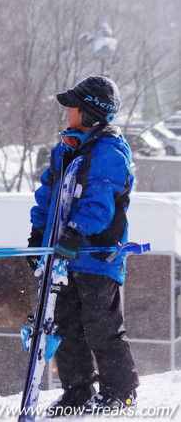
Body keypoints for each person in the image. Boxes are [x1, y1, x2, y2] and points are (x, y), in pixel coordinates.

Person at [28, 76, 138, 414]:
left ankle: (121, 391)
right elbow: (47, 196)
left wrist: (75, 233)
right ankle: (77, 392)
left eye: (72, 108)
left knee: (100, 325)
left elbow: (100, 203)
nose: (67, 113)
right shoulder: (65, 148)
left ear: (89, 113)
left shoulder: (109, 151)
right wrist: (38, 235)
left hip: (96, 255)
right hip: (62, 256)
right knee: (63, 324)